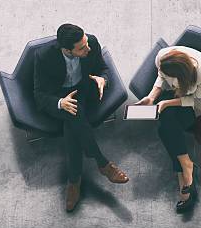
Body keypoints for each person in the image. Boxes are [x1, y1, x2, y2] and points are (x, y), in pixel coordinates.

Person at [33, 24, 129, 212]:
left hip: (82, 90)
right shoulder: (44, 57)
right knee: (73, 116)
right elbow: (39, 94)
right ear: (67, 50)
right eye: (82, 48)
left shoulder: (91, 41)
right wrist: (60, 102)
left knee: (73, 123)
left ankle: (74, 181)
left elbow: (103, 68)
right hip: (58, 97)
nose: (88, 48)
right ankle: (102, 164)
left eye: (86, 43)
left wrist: (103, 79)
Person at [136, 46, 201, 213]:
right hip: (178, 94)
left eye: (173, 78)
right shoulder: (162, 57)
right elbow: (161, 75)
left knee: (165, 127)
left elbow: (195, 100)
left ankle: (183, 168)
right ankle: (186, 165)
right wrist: (152, 97)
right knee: (166, 125)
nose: (170, 80)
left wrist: (167, 103)